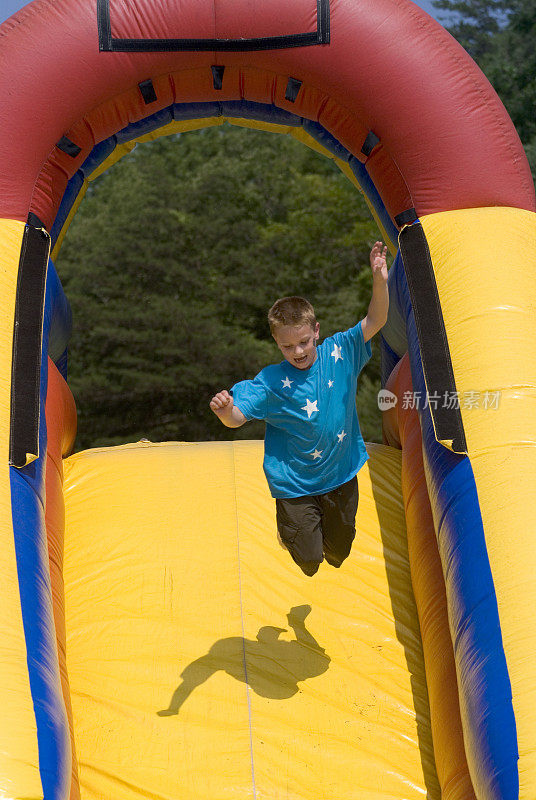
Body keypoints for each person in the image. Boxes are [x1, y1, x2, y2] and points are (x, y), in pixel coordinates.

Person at [209, 242, 389, 576]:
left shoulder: (340, 351)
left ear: (316, 331)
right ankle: (290, 531)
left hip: (340, 474)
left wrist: (379, 278)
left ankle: (314, 534)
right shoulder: (272, 382)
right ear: (277, 343)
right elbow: (236, 419)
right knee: (310, 562)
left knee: (338, 554)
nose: (298, 351)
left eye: (304, 341)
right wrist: (224, 411)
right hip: (295, 485)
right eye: (287, 346)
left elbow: (377, 319)